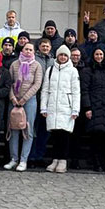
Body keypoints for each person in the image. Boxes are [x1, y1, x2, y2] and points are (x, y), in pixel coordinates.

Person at [40, 45, 80, 173]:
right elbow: (45, 90)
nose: (62, 57)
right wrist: (43, 107)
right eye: (61, 55)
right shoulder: (51, 70)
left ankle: (63, 160)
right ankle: (55, 159)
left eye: (65, 55)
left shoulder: (73, 71)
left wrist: (75, 109)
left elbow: (76, 91)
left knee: (64, 135)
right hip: (53, 106)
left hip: (66, 107)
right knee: (55, 135)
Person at [4, 42, 43, 172]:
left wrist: (24, 99)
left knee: (28, 130)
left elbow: (37, 84)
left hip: (29, 101)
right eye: (26, 49)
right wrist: (13, 98)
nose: (28, 51)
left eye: (30, 50)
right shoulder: (14, 64)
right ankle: (14, 159)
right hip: (14, 101)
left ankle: (23, 160)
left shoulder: (37, 65)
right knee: (13, 129)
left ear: (34, 52)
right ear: (22, 50)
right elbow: (9, 82)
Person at [81, 47, 105, 172]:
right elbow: (85, 90)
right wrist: (87, 107)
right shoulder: (88, 70)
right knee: (95, 137)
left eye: (101, 54)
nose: (99, 56)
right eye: (97, 54)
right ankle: (96, 163)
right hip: (93, 107)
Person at [28, 38, 53, 167]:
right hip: (35, 98)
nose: (45, 48)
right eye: (43, 46)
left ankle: (40, 156)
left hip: (49, 100)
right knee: (33, 129)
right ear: (39, 47)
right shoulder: (34, 60)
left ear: (50, 47)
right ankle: (31, 156)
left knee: (45, 130)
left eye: (47, 46)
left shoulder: (54, 61)